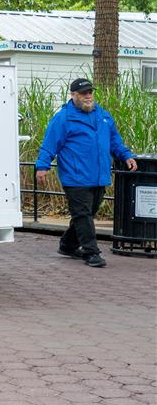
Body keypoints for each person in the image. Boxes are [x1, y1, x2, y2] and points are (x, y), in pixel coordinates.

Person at [36, 78, 137, 268]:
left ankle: (67, 245)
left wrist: (126, 156)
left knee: (88, 212)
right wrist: (42, 166)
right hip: (75, 176)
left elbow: (115, 141)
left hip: (99, 175)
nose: (88, 96)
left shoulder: (104, 116)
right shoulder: (63, 118)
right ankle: (91, 253)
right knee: (83, 214)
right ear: (73, 95)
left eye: (90, 92)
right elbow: (49, 144)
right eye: (83, 93)